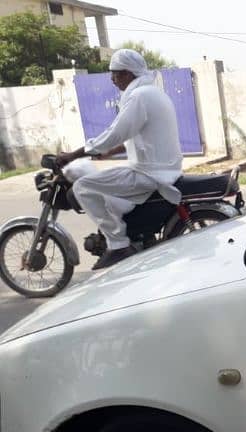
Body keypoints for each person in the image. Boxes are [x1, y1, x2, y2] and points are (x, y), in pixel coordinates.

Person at [57, 49, 182, 270]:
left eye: (114, 73)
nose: (112, 79)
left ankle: (118, 245)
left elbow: (115, 132)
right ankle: (134, 236)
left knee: (84, 187)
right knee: (105, 188)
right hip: (162, 169)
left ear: (127, 73)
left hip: (148, 173)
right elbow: (139, 136)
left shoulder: (139, 97)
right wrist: (109, 152)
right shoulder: (153, 93)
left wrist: (73, 155)